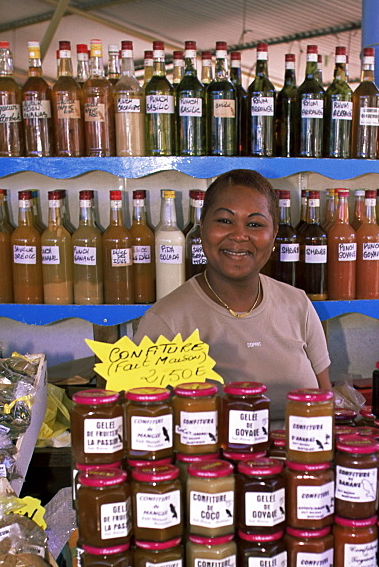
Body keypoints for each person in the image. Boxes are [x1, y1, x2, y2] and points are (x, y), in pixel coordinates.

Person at [135, 169, 331, 419]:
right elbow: (144, 422)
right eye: (225, 221)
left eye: (255, 224)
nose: (239, 235)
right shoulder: (166, 321)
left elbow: (326, 405)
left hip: (301, 455)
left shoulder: (297, 304)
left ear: (273, 237)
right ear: (202, 228)